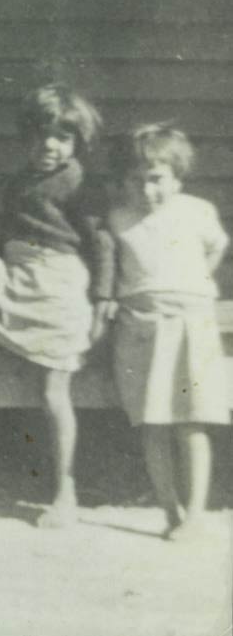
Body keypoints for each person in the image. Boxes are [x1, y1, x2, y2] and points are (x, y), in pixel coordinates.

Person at [0, 84, 109, 528]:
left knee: (52, 392)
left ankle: (65, 490)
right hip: (16, 275)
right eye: (42, 135)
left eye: (62, 137)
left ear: (77, 143)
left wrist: (103, 300)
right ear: (27, 137)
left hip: (59, 283)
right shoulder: (18, 180)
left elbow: (101, 244)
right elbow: (2, 227)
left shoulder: (81, 183)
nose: (50, 145)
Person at [100, 124, 228, 542]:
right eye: (135, 180)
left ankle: (195, 514)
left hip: (191, 325)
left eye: (156, 179)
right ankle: (168, 508)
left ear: (177, 176)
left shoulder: (197, 211)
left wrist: (196, 281)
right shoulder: (120, 220)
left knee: (192, 424)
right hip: (141, 328)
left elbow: (216, 246)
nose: (146, 190)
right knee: (152, 423)